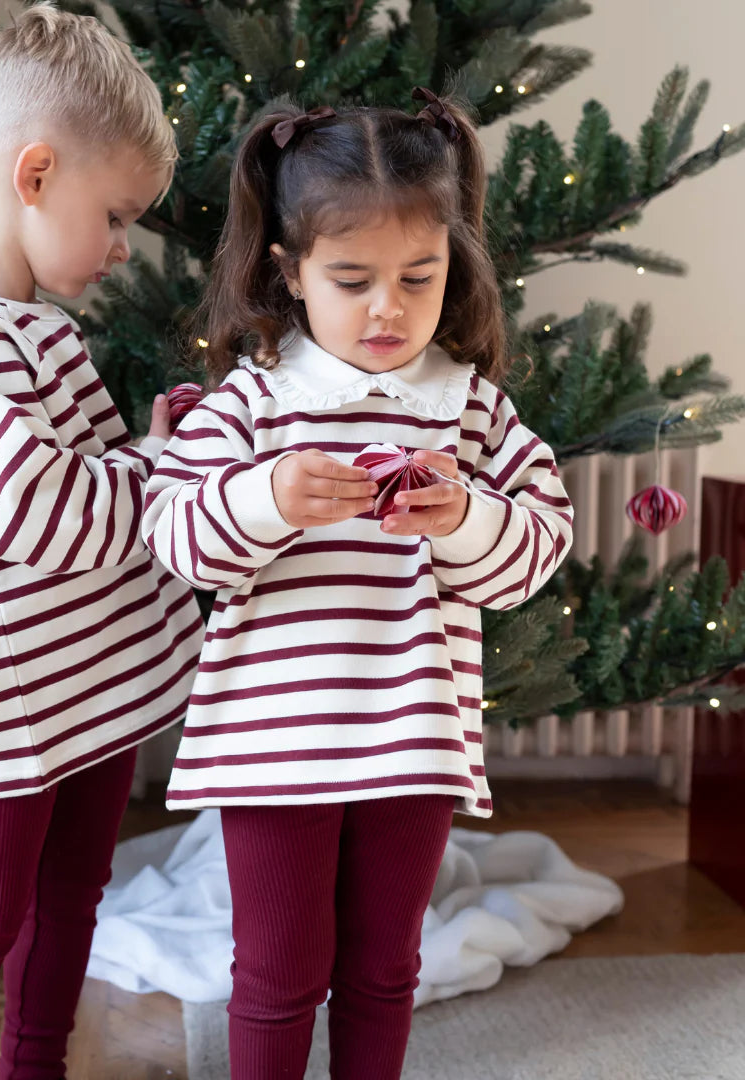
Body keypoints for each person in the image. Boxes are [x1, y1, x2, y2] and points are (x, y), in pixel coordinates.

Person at [142, 90, 574, 1080]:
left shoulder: (469, 409)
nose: (389, 307)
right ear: (291, 272)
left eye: (420, 276)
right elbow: (174, 538)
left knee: (384, 970)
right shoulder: (253, 403)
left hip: (410, 740)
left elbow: (539, 547)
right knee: (277, 974)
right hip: (270, 745)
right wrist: (265, 500)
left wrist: (466, 518)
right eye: (352, 279)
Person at [0, 6, 202, 1077]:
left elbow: (76, 480)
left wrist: (148, 447)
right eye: (114, 216)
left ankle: (36, 1065)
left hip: (78, 686)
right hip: (3, 704)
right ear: (37, 173)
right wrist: (154, 473)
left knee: (72, 895)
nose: (121, 246)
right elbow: (44, 516)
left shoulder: (32, 329)